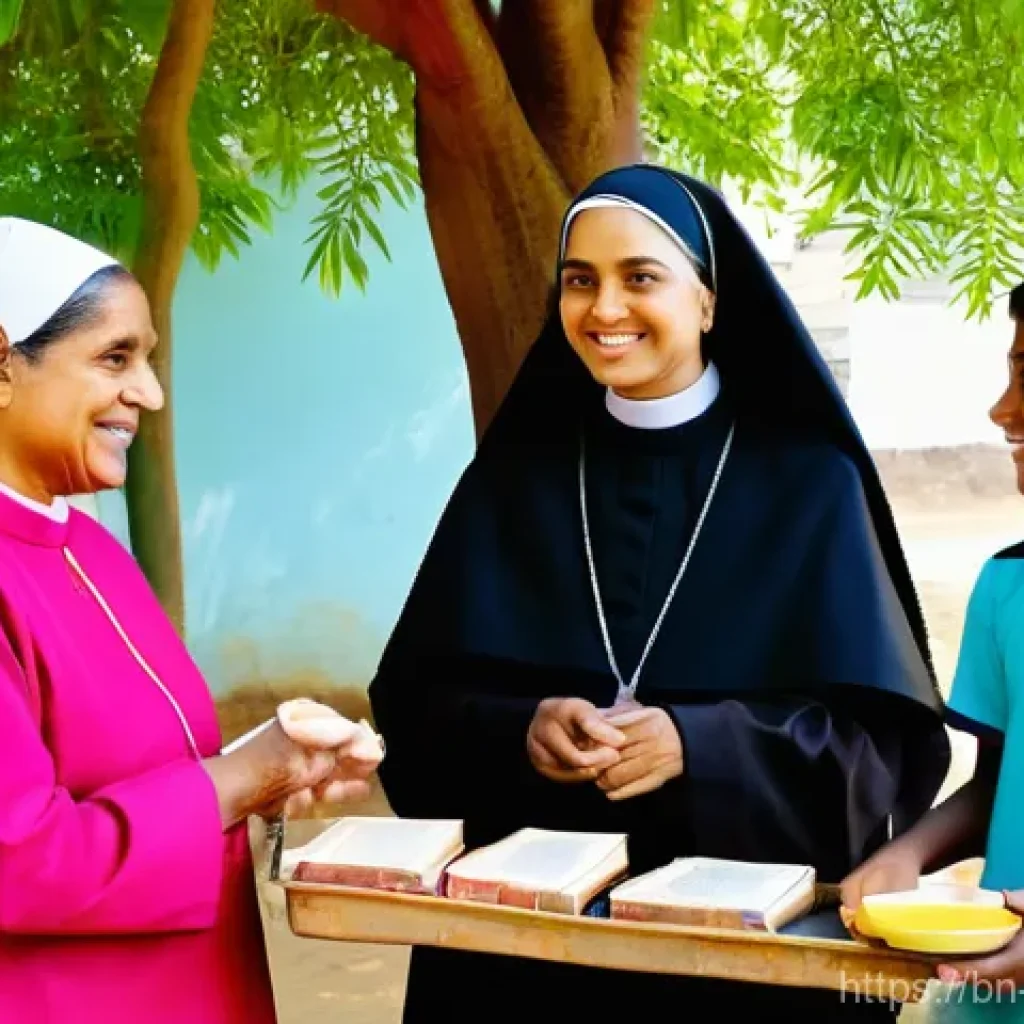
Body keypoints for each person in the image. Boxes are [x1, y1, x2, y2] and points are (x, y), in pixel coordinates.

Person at [367, 164, 952, 1021]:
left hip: (740, 967)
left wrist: (702, 746)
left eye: (640, 277)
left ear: (709, 302)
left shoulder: (808, 488)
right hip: (525, 965)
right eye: (579, 281)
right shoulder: (511, 483)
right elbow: (414, 717)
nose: (605, 309)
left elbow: (879, 759)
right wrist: (519, 730)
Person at [0, 217, 384, 1024]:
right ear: (2, 363)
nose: (150, 393)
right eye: (115, 358)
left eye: (148, 359)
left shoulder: (91, 549)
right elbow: (21, 860)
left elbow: (151, 771)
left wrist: (271, 769)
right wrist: (241, 778)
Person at [842, 281, 1024, 1006]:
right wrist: (904, 857)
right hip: (988, 1000)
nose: (1001, 408)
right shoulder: (1006, 588)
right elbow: (997, 788)